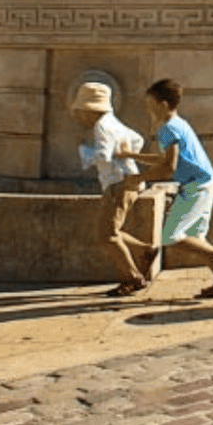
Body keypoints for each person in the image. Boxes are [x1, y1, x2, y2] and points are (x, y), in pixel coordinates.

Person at [123, 78, 213, 298]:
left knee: (171, 236)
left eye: (150, 105)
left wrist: (138, 178)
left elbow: (169, 166)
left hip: (195, 186)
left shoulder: (166, 129)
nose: (148, 110)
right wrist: (132, 156)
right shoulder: (179, 124)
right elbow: (165, 159)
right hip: (205, 183)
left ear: (163, 105)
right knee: (196, 237)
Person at [71, 81, 155, 298]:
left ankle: (132, 279)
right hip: (129, 182)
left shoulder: (101, 127)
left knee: (107, 235)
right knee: (110, 231)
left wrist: (83, 149)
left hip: (118, 184)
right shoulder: (114, 122)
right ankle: (144, 251)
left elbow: (103, 156)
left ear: (90, 110)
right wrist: (125, 153)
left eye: (81, 110)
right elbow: (137, 140)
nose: (79, 115)